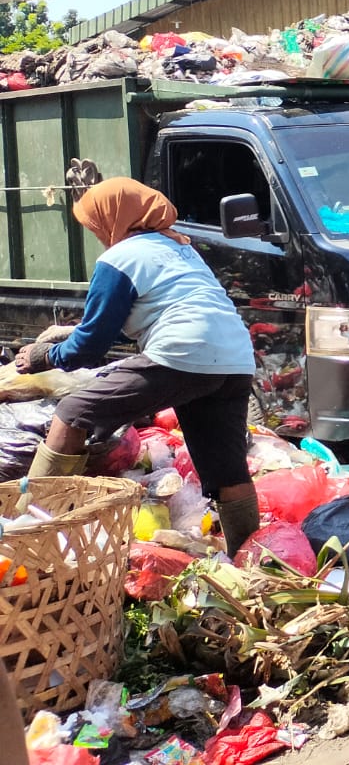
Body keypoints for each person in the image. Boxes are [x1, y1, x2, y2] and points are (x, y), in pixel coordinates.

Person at [16, 179, 260, 555]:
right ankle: (253, 558)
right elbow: (131, 319)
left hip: (181, 354)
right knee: (228, 470)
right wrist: (67, 334)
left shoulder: (120, 258)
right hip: (233, 359)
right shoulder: (181, 248)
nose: (96, 234)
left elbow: (93, 344)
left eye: (94, 224)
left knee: (73, 413)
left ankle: (30, 537)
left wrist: (42, 358)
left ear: (112, 217)